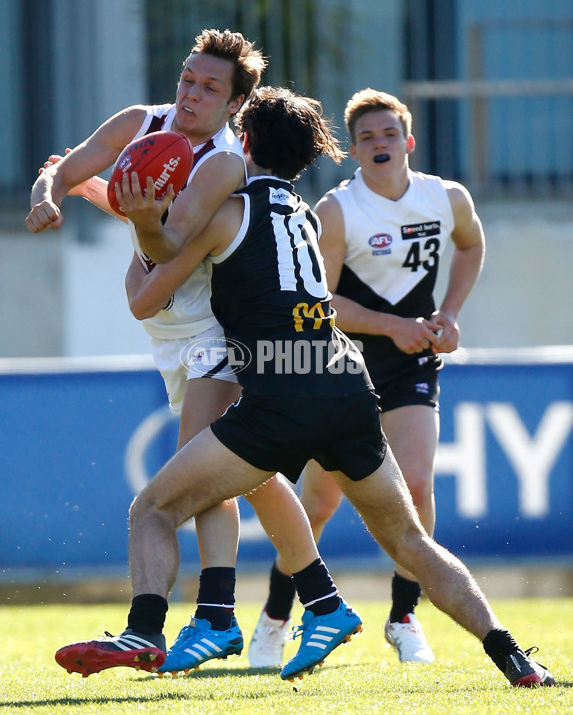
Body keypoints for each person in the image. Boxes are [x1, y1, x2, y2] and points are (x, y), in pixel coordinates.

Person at [58, 84, 555, 687]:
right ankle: (510, 656)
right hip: (348, 386)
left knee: (154, 507)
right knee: (409, 540)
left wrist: (138, 215)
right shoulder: (309, 215)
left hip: (280, 393)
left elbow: (147, 292)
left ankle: (147, 628)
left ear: (243, 143)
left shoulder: (228, 213)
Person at [28, 30, 352, 676]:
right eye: (187, 78)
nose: (190, 94)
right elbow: (72, 163)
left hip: (213, 331)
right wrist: (47, 195)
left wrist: (125, 210)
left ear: (235, 104)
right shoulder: (141, 123)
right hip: (171, 337)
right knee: (245, 479)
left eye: (209, 87)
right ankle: (311, 601)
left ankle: (172, 623)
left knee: (194, 476)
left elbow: (168, 248)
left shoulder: (224, 162)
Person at [248, 87, 486, 668]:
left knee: (418, 485)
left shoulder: (446, 197)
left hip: (409, 364)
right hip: (344, 366)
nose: (379, 145)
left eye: (388, 135)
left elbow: (472, 245)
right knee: (320, 504)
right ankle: (279, 613)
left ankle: (404, 617)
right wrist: (391, 324)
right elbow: (320, 301)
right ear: (352, 151)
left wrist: (449, 314)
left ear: (409, 141)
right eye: (366, 138)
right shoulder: (336, 210)